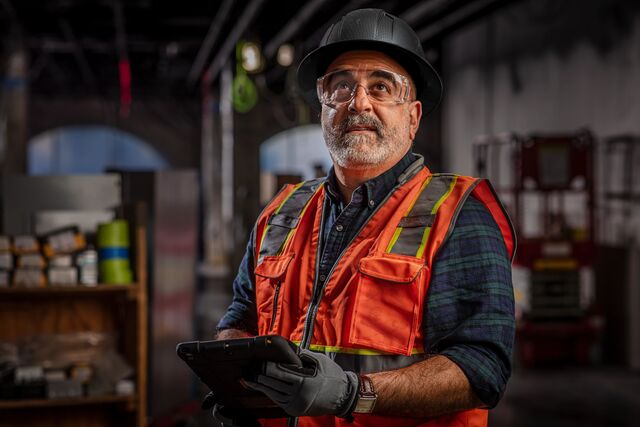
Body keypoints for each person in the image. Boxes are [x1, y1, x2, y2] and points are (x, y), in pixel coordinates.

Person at [211, 8, 516, 427]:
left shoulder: (457, 214)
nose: (358, 103)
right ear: (323, 108)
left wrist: (354, 394)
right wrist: (233, 376)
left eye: (381, 87)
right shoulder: (281, 213)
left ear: (413, 117)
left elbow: (481, 369)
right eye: (341, 87)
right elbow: (242, 315)